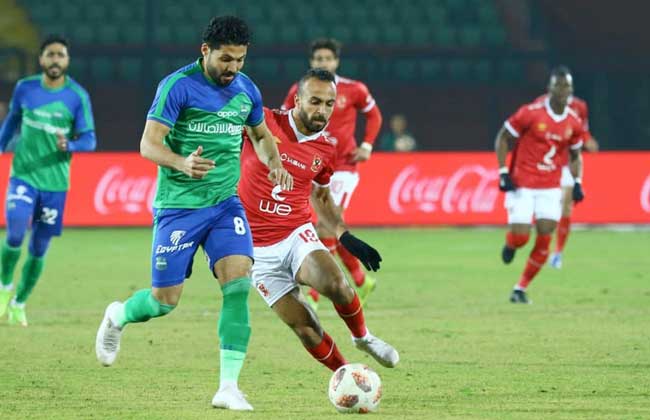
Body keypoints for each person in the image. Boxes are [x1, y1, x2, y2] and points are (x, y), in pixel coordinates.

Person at [94, 16, 292, 411]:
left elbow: (261, 135)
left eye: (240, 59)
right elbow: (148, 145)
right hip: (179, 208)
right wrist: (181, 162)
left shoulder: (246, 90)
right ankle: (118, 315)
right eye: (225, 59)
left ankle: (228, 387)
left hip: (225, 205)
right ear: (205, 51)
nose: (232, 67)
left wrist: (275, 163)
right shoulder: (177, 86)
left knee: (238, 283)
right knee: (164, 302)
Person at [240, 68, 399, 373]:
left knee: (337, 284)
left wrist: (344, 235)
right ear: (297, 100)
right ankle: (347, 374)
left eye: (329, 104)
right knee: (305, 326)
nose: (322, 110)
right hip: (254, 250)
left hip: (295, 234)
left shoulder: (326, 148)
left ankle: (362, 337)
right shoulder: (262, 122)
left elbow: (322, 197)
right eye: (315, 101)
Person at [0, 35, 96, 326]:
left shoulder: (77, 96)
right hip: (23, 175)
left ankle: (19, 302)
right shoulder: (25, 88)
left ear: (67, 61)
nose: (55, 59)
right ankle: (4, 287)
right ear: (41, 59)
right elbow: (12, 121)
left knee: (38, 249)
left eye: (60, 55)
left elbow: (90, 140)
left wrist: (71, 144)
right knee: (15, 231)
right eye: (50, 54)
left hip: (55, 184)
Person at [282, 38, 383, 311]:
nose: (323, 63)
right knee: (332, 226)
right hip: (312, 166)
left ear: (336, 62)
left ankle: (314, 296)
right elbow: (284, 120)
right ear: (311, 62)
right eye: (318, 59)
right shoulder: (299, 90)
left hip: (343, 168)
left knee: (324, 226)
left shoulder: (354, 89)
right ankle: (361, 281)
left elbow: (374, 116)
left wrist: (367, 145)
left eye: (328, 58)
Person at [495, 66, 586, 304]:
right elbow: (503, 137)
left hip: (550, 185)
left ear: (571, 90)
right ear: (549, 89)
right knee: (521, 238)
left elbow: (575, 154)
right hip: (522, 183)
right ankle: (511, 243)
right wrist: (503, 171)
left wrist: (577, 181)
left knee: (546, 233)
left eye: (566, 86)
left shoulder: (574, 121)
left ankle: (520, 288)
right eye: (558, 86)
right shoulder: (530, 112)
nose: (563, 90)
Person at [530, 91, 599, 269]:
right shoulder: (540, 103)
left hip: (568, 163)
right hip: (547, 162)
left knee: (566, 207)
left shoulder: (579, 106)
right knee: (547, 210)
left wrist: (588, 140)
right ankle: (541, 247)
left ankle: (557, 253)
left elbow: (582, 131)